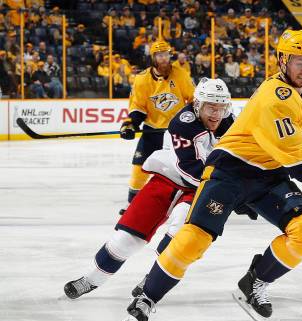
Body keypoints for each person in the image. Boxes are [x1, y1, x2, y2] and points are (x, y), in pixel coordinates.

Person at [121, 29, 302, 321]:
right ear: (282, 61)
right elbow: (300, 163)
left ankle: (255, 282)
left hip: (270, 173)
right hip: (231, 170)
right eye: (298, 61)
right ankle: (147, 295)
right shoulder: (272, 99)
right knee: (193, 241)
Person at [64, 78, 234, 299]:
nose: (217, 114)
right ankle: (91, 279)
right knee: (125, 239)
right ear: (198, 105)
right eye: (212, 107)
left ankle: (152, 280)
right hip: (170, 179)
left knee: (180, 234)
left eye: (221, 108)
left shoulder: (231, 122)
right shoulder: (183, 123)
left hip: (200, 190)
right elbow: (193, 169)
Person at [119, 40, 195, 209]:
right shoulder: (142, 79)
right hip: (152, 130)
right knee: (139, 166)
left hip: (177, 131)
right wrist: (131, 124)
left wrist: (190, 121)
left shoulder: (180, 74)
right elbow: (138, 105)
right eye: (160, 55)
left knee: (181, 167)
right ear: (153, 57)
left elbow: (192, 99)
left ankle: (183, 201)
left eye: (166, 55)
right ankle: (132, 204)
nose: (164, 59)